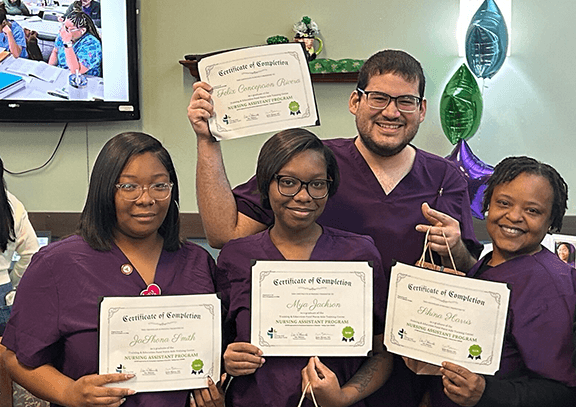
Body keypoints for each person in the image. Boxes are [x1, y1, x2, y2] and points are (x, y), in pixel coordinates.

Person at [188, 49, 483, 407]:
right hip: (319, 362)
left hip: (409, 362)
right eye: (379, 98)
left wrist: (456, 247)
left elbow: (469, 271)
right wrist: (207, 139)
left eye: (405, 101)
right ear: (355, 101)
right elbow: (224, 233)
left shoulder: (444, 178)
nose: (392, 112)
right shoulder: (313, 163)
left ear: (421, 109)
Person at [1, 132, 225, 407]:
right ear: (105, 190)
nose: (146, 199)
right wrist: (69, 393)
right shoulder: (57, 264)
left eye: (159, 185)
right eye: (129, 186)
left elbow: (217, 357)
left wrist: (215, 397)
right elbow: (17, 356)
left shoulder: (197, 262)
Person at [217, 128, 392, 407]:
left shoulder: (359, 255)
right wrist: (227, 361)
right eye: (288, 182)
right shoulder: (236, 257)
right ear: (265, 183)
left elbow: (382, 352)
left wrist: (343, 397)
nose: (303, 196)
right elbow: (214, 348)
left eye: (317, 184)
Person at [426, 156, 576, 407]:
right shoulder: (490, 263)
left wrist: (486, 393)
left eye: (532, 210)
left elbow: (563, 391)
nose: (514, 216)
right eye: (504, 203)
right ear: (488, 204)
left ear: (551, 221)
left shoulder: (549, 288)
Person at [0, 156, 39, 406]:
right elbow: (31, 252)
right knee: (3, 366)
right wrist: (12, 281)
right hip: (2, 293)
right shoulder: (11, 204)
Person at [49, 11, 102, 76]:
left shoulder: (92, 44)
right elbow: (55, 51)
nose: (63, 30)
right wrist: (49, 69)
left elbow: (76, 71)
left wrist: (67, 44)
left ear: (82, 30)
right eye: (64, 26)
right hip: (62, 73)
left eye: (68, 29)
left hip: (84, 78)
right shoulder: (63, 34)